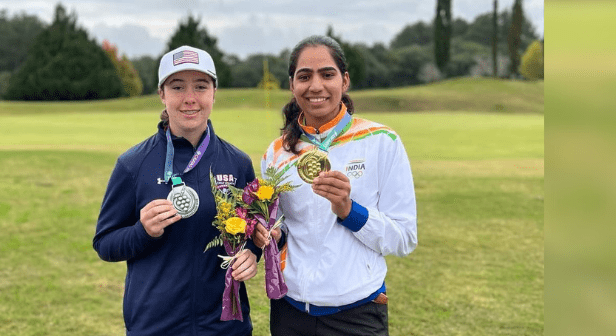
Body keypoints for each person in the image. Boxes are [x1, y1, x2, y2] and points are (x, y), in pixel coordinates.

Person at [254, 35, 418, 336]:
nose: (315, 86)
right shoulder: (276, 152)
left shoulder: (382, 142)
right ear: (292, 86)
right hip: (290, 313)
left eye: (327, 74)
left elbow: (404, 238)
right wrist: (272, 236)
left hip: (357, 314)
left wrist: (349, 211)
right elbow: (284, 230)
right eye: (304, 76)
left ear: (344, 81)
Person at [93, 45, 261, 336]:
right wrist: (143, 231)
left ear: (214, 92)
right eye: (177, 87)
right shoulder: (133, 164)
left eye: (200, 86)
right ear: (162, 94)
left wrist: (253, 253)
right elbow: (105, 243)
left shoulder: (238, 163)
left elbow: (256, 231)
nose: (189, 99)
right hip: (156, 326)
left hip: (225, 328)